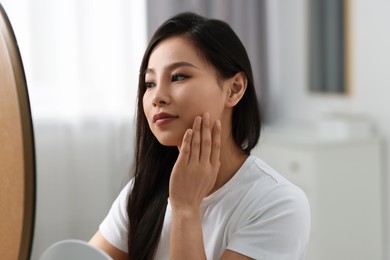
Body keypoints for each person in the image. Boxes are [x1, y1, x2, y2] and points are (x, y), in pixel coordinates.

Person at [89, 12, 310, 260]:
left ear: (234, 89)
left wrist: (185, 210)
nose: (157, 96)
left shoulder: (278, 204)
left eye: (178, 77)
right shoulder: (142, 190)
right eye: (149, 83)